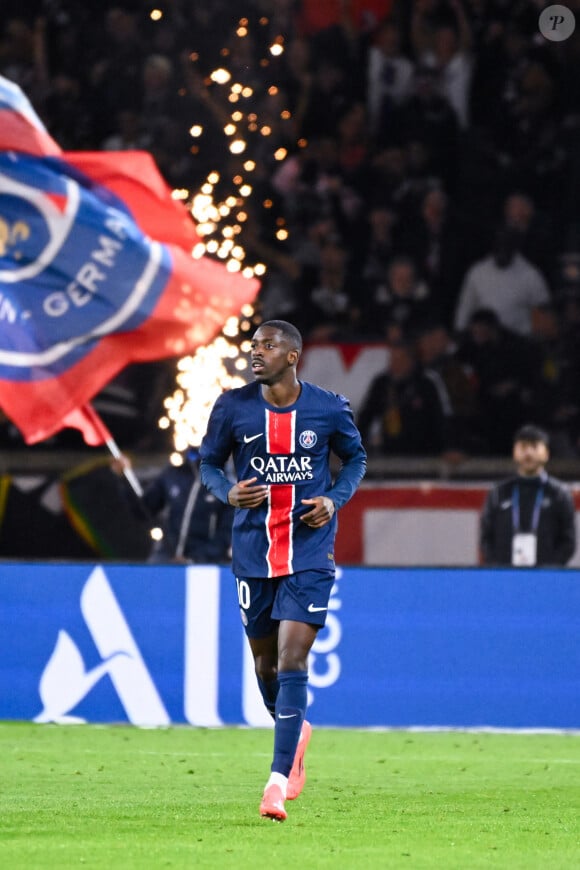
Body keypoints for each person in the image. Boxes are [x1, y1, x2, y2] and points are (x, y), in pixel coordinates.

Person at [199, 319, 366, 821]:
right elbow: (208, 463)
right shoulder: (232, 407)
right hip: (253, 551)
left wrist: (334, 500)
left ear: (292, 356)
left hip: (310, 552)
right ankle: (296, 731)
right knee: (265, 667)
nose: (256, 353)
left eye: (267, 346)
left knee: (294, 659)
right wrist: (225, 491)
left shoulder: (328, 407)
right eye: (253, 346)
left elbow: (355, 460)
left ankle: (275, 783)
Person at [114, 447, 233, 564]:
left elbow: (226, 535)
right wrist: (125, 477)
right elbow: (144, 511)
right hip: (166, 556)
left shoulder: (227, 486)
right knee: (149, 577)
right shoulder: (172, 473)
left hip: (205, 565)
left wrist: (194, 559)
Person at [480, 424, 576, 567]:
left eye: (535, 446)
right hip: (505, 575)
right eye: (523, 447)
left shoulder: (559, 494)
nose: (529, 453)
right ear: (514, 452)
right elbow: (486, 537)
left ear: (546, 453)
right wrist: (497, 567)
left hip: (546, 578)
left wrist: (552, 569)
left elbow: (568, 540)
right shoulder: (499, 492)